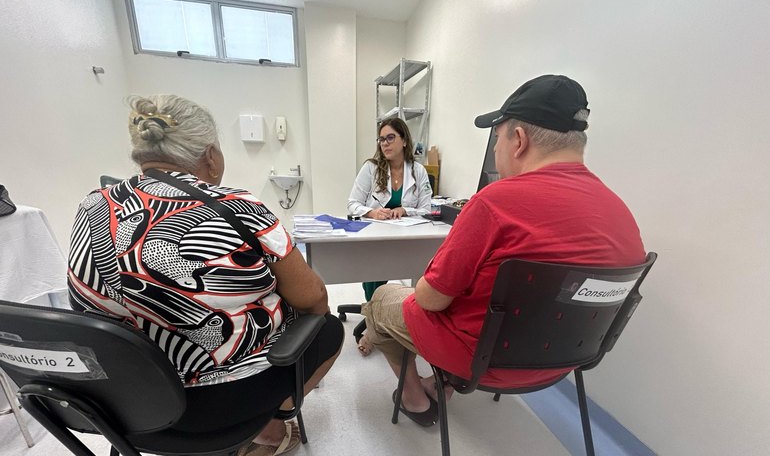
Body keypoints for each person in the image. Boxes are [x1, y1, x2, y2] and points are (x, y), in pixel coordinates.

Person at [361, 75, 646, 426]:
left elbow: (431, 300)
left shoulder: (495, 202)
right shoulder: (623, 214)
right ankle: (443, 386)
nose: (496, 150)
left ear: (519, 140)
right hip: (566, 360)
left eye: (496, 138)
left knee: (381, 300)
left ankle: (414, 398)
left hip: (483, 360)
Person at [67, 94, 343, 456]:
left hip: (126, 406)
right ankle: (270, 428)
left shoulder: (92, 207)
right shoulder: (237, 207)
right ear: (211, 155)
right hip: (221, 405)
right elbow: (314, 299)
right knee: (329, 329)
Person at [346, 117, 432, 355]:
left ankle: (398, 324)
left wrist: (405, 209)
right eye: (381, 139)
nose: (385, 143)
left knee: (421, 271)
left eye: (390, 137)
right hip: (375, 237)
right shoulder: (371, 168)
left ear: (404, 140)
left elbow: (427, 207)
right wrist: (371, 211)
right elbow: (352, 204)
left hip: (406, 238)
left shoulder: (418, 171)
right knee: (374, 274)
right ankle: (374, 327)